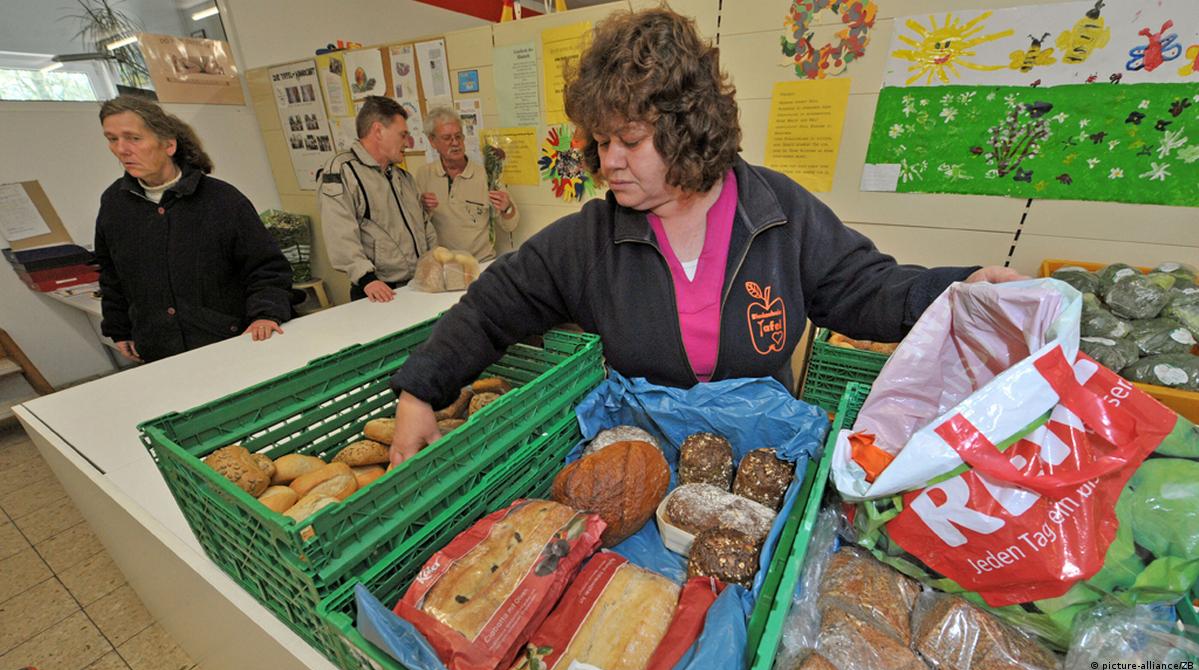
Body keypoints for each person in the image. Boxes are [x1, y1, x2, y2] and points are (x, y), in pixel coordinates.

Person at [385, 8, 1023, 465]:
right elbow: (494, 306)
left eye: (630, 141)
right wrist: (420, 391)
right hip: (642, 460)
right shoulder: (590, 240)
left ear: (687, 128)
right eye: (601, 141)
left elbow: (867, 287)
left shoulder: (778, 214)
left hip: (760, 460)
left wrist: (958, 288)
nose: (608, 161)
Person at [95, 96, 293, 364]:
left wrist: (266, 314)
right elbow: (112, 276)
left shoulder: (222, 200)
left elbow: (267, 268)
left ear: (168, 145)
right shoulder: (115, 204)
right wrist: (119, 328)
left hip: (231, 343)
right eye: (112, 139)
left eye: (133, 138)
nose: (121, 149)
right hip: (160, 350)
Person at [319, 96, 436, 302]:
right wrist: (366, 278)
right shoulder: (342, 172)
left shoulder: (403, 178)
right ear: (378, 131)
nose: (407, 143)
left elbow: (424, 225)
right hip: (378, 291)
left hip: (416, 286)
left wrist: (434, 262)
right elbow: (339, 232)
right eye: (402, 135)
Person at [414, 107, 518, 261]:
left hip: (480, 265)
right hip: (443, 266)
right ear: (432, 141)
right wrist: (423, 208)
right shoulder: (424, 174)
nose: (455, 143)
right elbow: (417, 225)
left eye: (458, 136)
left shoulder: (486, 175)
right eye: (447, 138)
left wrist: (507, 208)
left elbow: (510, 225)